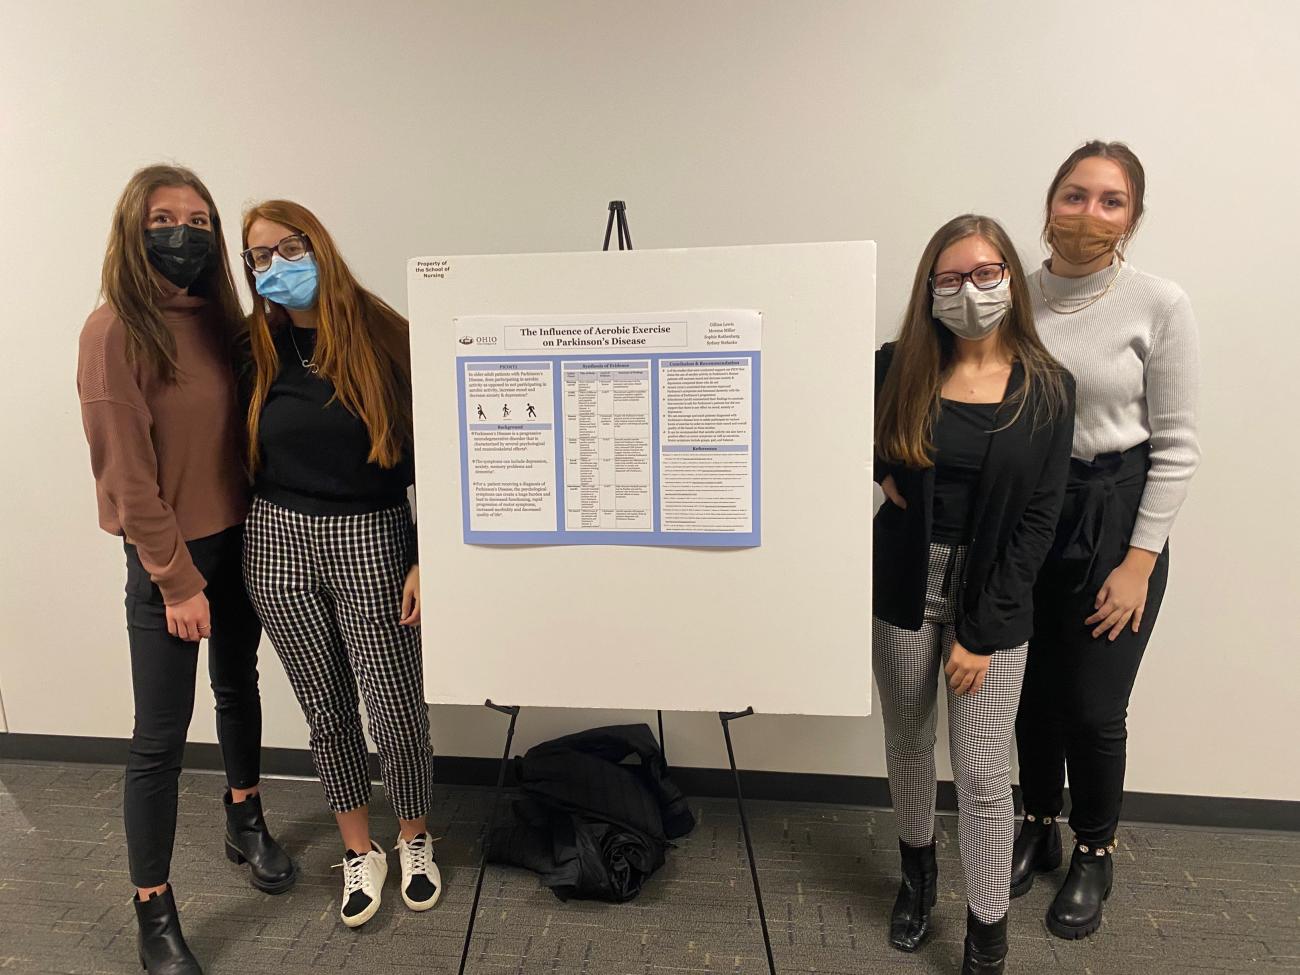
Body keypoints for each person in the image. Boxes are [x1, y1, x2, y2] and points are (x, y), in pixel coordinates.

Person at [76, 165, 294, 975]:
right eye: (165, 217)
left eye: (199, 219)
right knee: (158, 741)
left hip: (243, 538)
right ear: (134, 230)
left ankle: (245, 816)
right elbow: (129, 477)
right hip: (170, 554)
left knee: (239, 686)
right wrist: (175, 579)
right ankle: (153, 908)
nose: (184, 231)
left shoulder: (219, 321)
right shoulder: (113, 331)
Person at [873, 214, 1075, 974]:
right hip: (902, 583)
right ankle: (917, 878)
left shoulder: (1050, 388)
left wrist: (981, 632)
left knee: (987, 774)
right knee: (908, 744)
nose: (970, 291)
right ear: (931, 289)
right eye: (952, 278)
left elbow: (1039, 520)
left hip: (992, 599)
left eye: (986, 274)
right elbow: (836, 429)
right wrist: (879, 469)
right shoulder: (896, 365)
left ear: (1011, 281)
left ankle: (987, 932)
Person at [1011, 141, 1201, 939]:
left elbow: (1180, 444)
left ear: (1132, 218)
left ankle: (1095, 846)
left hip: (1116, 516)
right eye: (1074, 194)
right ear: (1050, 201)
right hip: (1030, 514)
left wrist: (1139, 561)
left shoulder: (1160, 302)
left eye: (1110, 200)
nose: (1088, 213)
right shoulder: (1010, 296)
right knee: (1028, 693)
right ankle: (1038, 822)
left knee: (1092, 705)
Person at [238, 199, 440, 928]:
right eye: (259, 256)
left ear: (319, 246)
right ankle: (361, 849)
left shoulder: (385, 334)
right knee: (326, 710)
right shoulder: (255, 348)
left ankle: (414, 837)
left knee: (396, 710)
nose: (276, 265)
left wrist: (426, 556)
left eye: (289, 247)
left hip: (374, 536)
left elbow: (438, 453)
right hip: (278, 540)